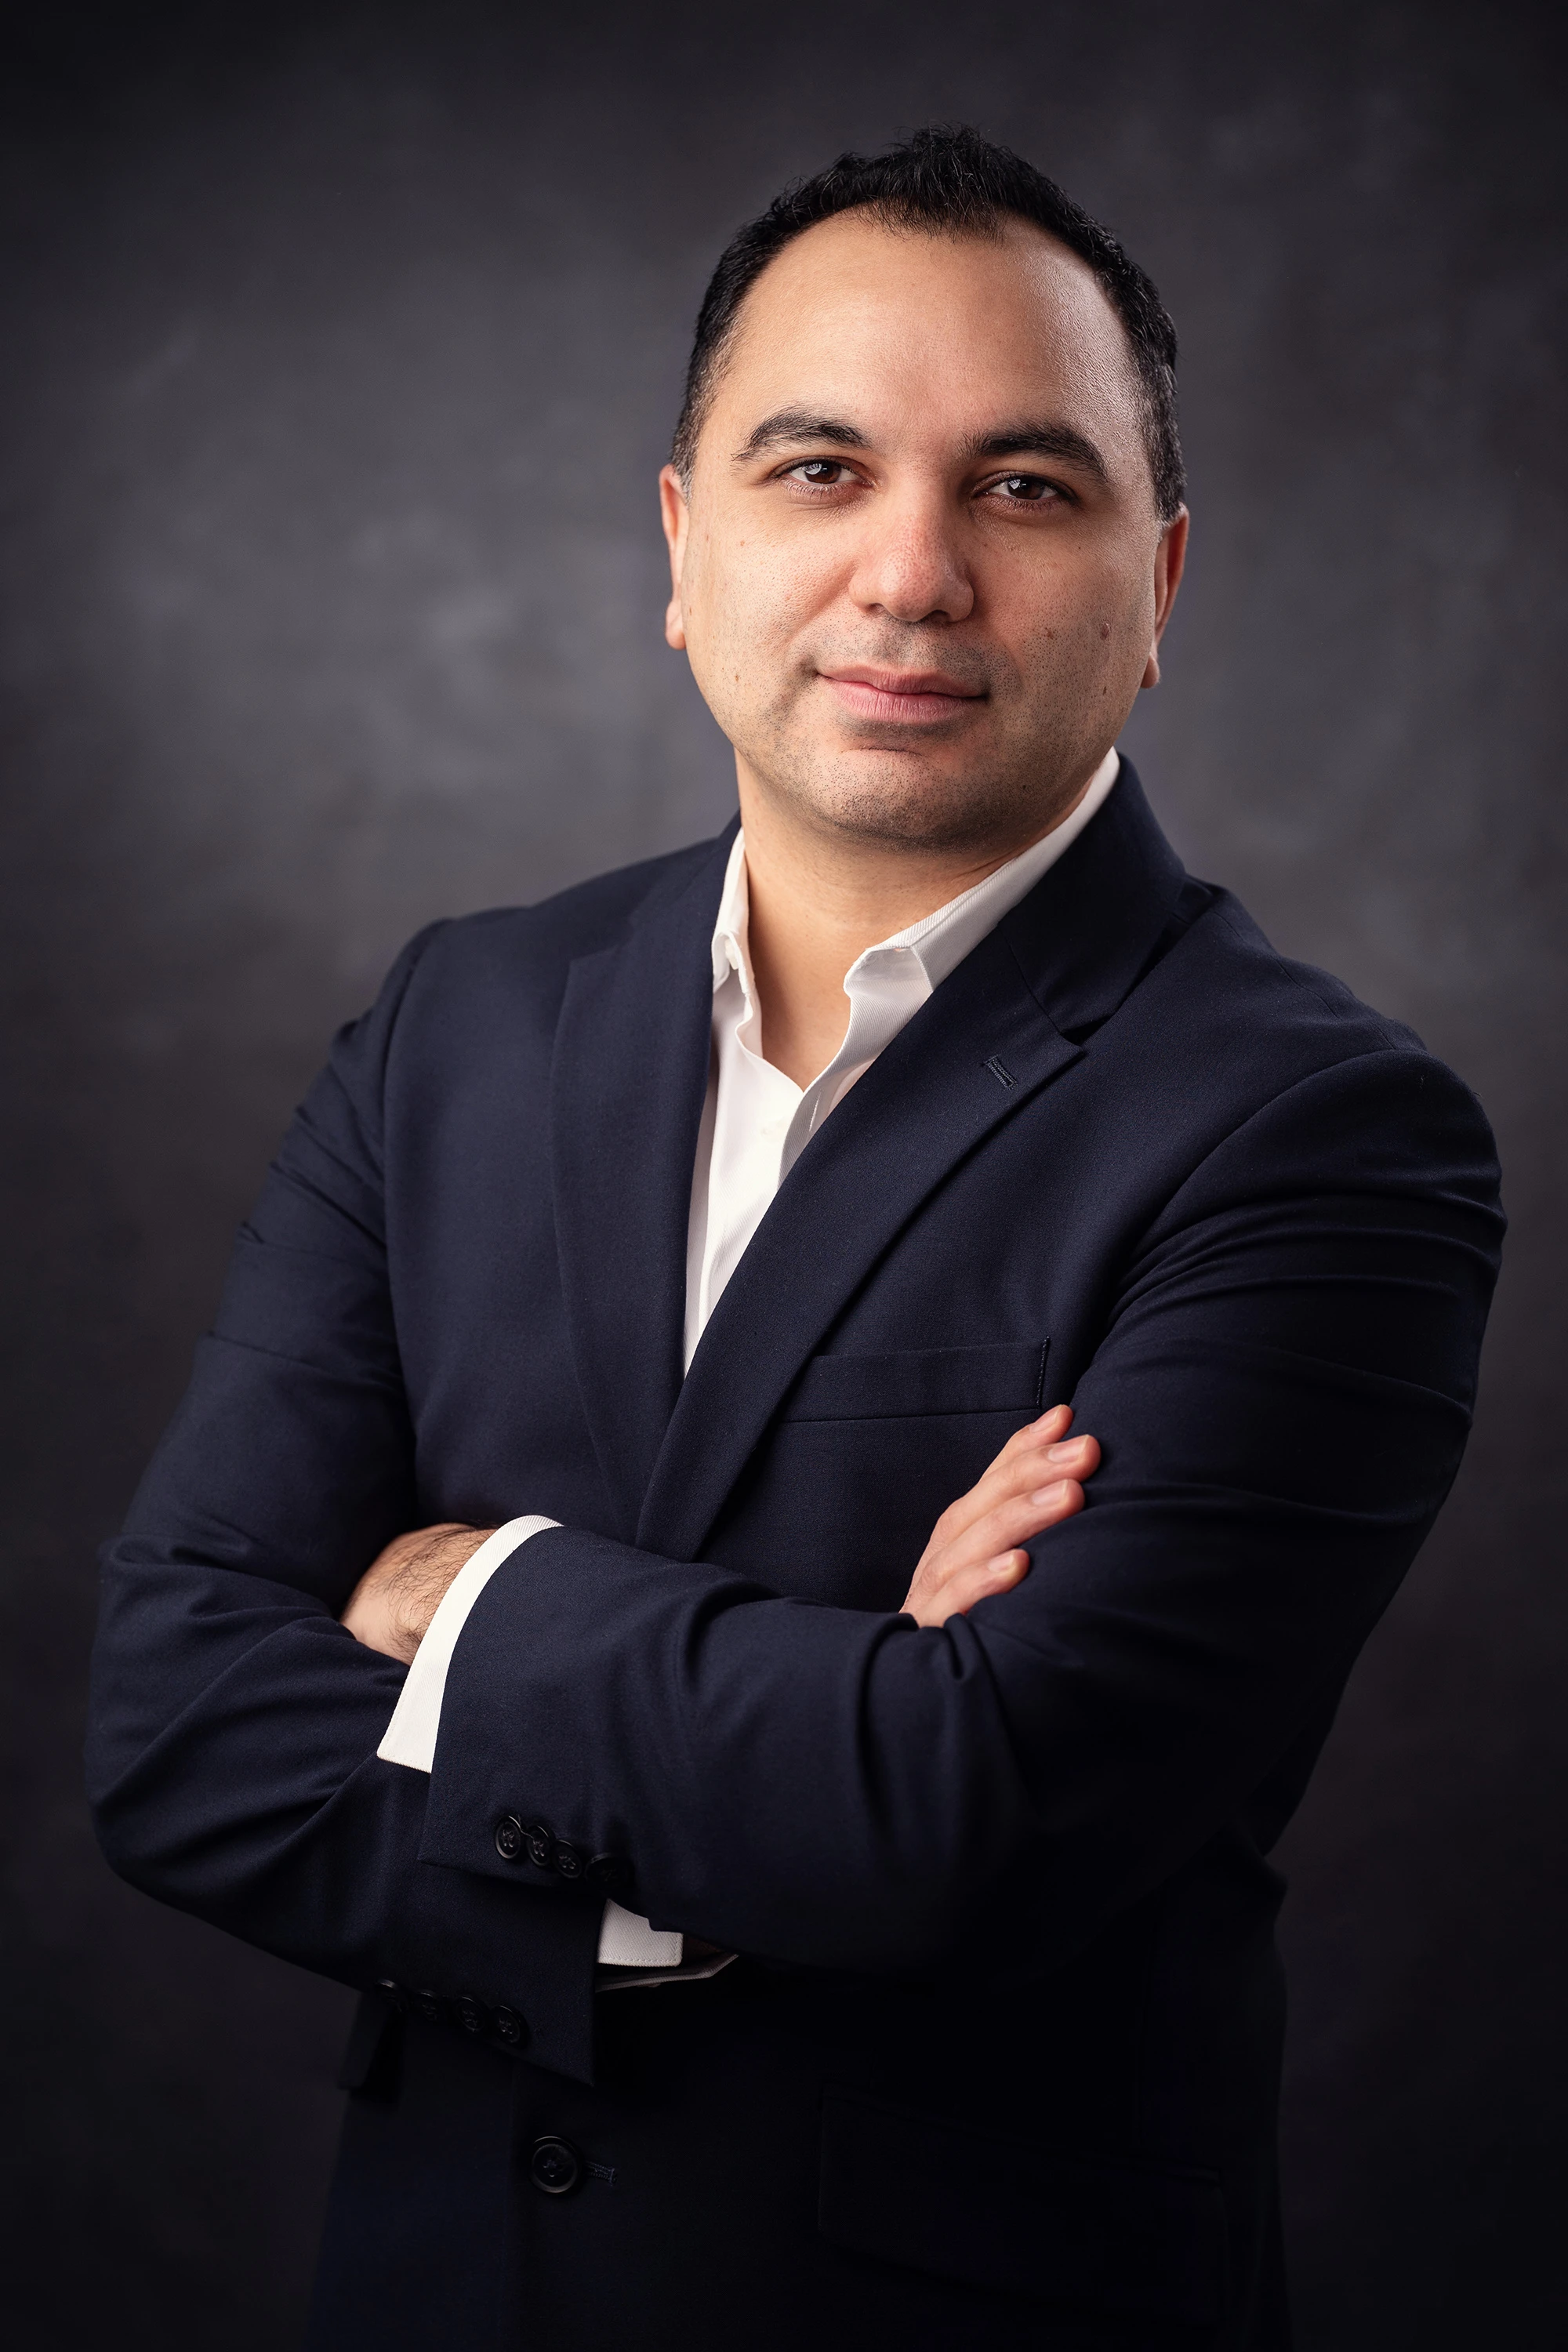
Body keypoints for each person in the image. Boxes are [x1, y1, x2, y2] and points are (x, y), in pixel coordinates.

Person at [86, 127, 1503, 2351]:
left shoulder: (1318, 1133)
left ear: (1160, 583)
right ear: (684, 545)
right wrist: (772, 1795)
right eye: (820, 468)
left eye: (1024, 485)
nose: (913, 573)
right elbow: (175, 1716)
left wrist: (460, 1591)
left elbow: (968, 1817)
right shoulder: (461, 1019)